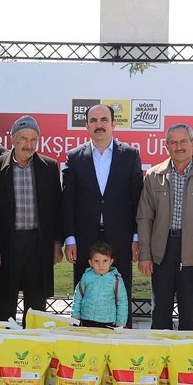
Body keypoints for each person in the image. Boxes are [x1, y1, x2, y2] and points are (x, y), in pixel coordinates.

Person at [61, 104, 142, 326]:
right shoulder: (74, 157)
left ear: (114, 124)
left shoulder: (130, 155)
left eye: (104, 120)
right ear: (86, 125)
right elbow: (68, 201)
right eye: (94, 120)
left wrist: (136, 237)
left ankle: (121, 344)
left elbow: (138, 200)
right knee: (85, 292)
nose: (99, 125)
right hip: (85, 238)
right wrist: (70, 238)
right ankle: (85, 341)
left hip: (121, 239)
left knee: (120, 292)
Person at [138, 124, 193, 331]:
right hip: (162, 251)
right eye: (173, 142)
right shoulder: (153, 175)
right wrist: (145, 254)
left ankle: (186, 362)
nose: (179, 147)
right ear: (166, 146)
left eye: (184, 141)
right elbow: (144, 217)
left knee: (189, 315)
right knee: (160, 314)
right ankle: (158, 361)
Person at [0, 116, 62, 322]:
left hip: (38, 246)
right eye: (23, 139)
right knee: (4, 305)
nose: (28, 145)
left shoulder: (48, 167)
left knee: (36, 308)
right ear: (13, 140)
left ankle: (35, 350)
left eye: (33, 140)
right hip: (6, 246)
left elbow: (57, 209)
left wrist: (57, 243)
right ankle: (3, 350)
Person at [71, 242, 129, 328]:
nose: (101, 265)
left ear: (111, 261)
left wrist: (121, 323)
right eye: (96, 261)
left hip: (108, 321)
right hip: (86, 319)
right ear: (90, 262)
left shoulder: (116, 280)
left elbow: (122, 302)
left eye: (105, 261)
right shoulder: (86, 277)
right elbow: (78, 296)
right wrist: (75, 315)